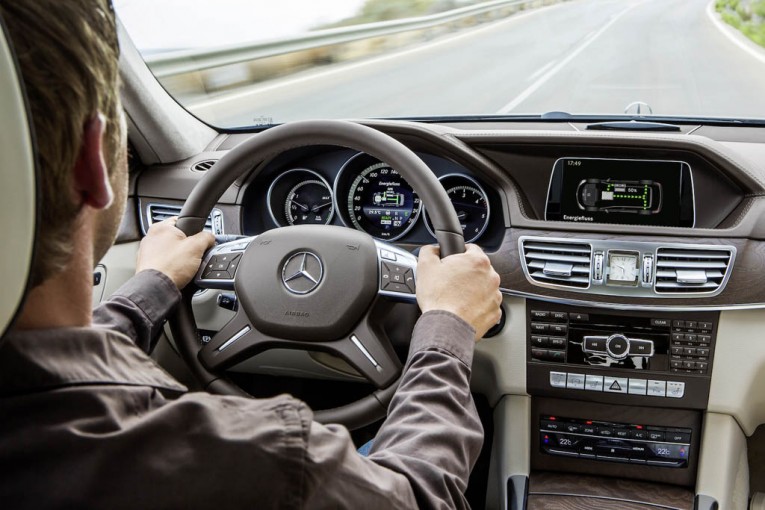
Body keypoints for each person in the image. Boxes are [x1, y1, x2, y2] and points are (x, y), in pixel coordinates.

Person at [0, 1, 502, 508]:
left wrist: (153, 283)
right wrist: (447, 323)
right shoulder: (272, 463)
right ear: (93, 164)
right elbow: (416, 495)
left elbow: (60, 371)